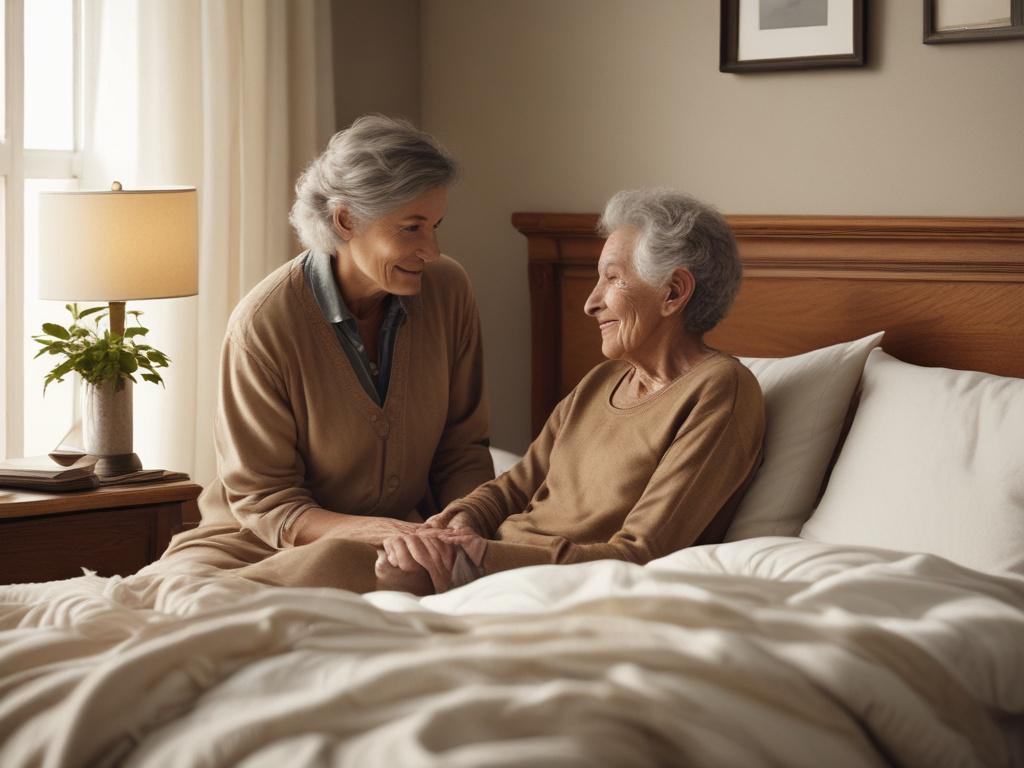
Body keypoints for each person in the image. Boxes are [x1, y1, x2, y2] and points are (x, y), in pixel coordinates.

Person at [156, 115, 493, 591]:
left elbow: (463, 449)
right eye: (411, 227)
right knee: (183, 600)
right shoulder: (264, 325)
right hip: (255, 545)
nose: (431, 250)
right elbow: (267, 502)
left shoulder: (448, 291)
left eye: (435, 226)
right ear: (345, 220)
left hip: (405, 542)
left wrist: (460, 525)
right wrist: (382, 532)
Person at [380, 189, 766, 594]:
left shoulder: (719, 390)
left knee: (356, 575)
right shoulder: (600, 382)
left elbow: (643, 553)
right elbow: (514, 487)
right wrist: (459, 521)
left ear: (672, 292)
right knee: (353, 560)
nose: (590, 303)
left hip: (534, 583)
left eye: (612, 278)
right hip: (487, 563)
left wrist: (478, 559)